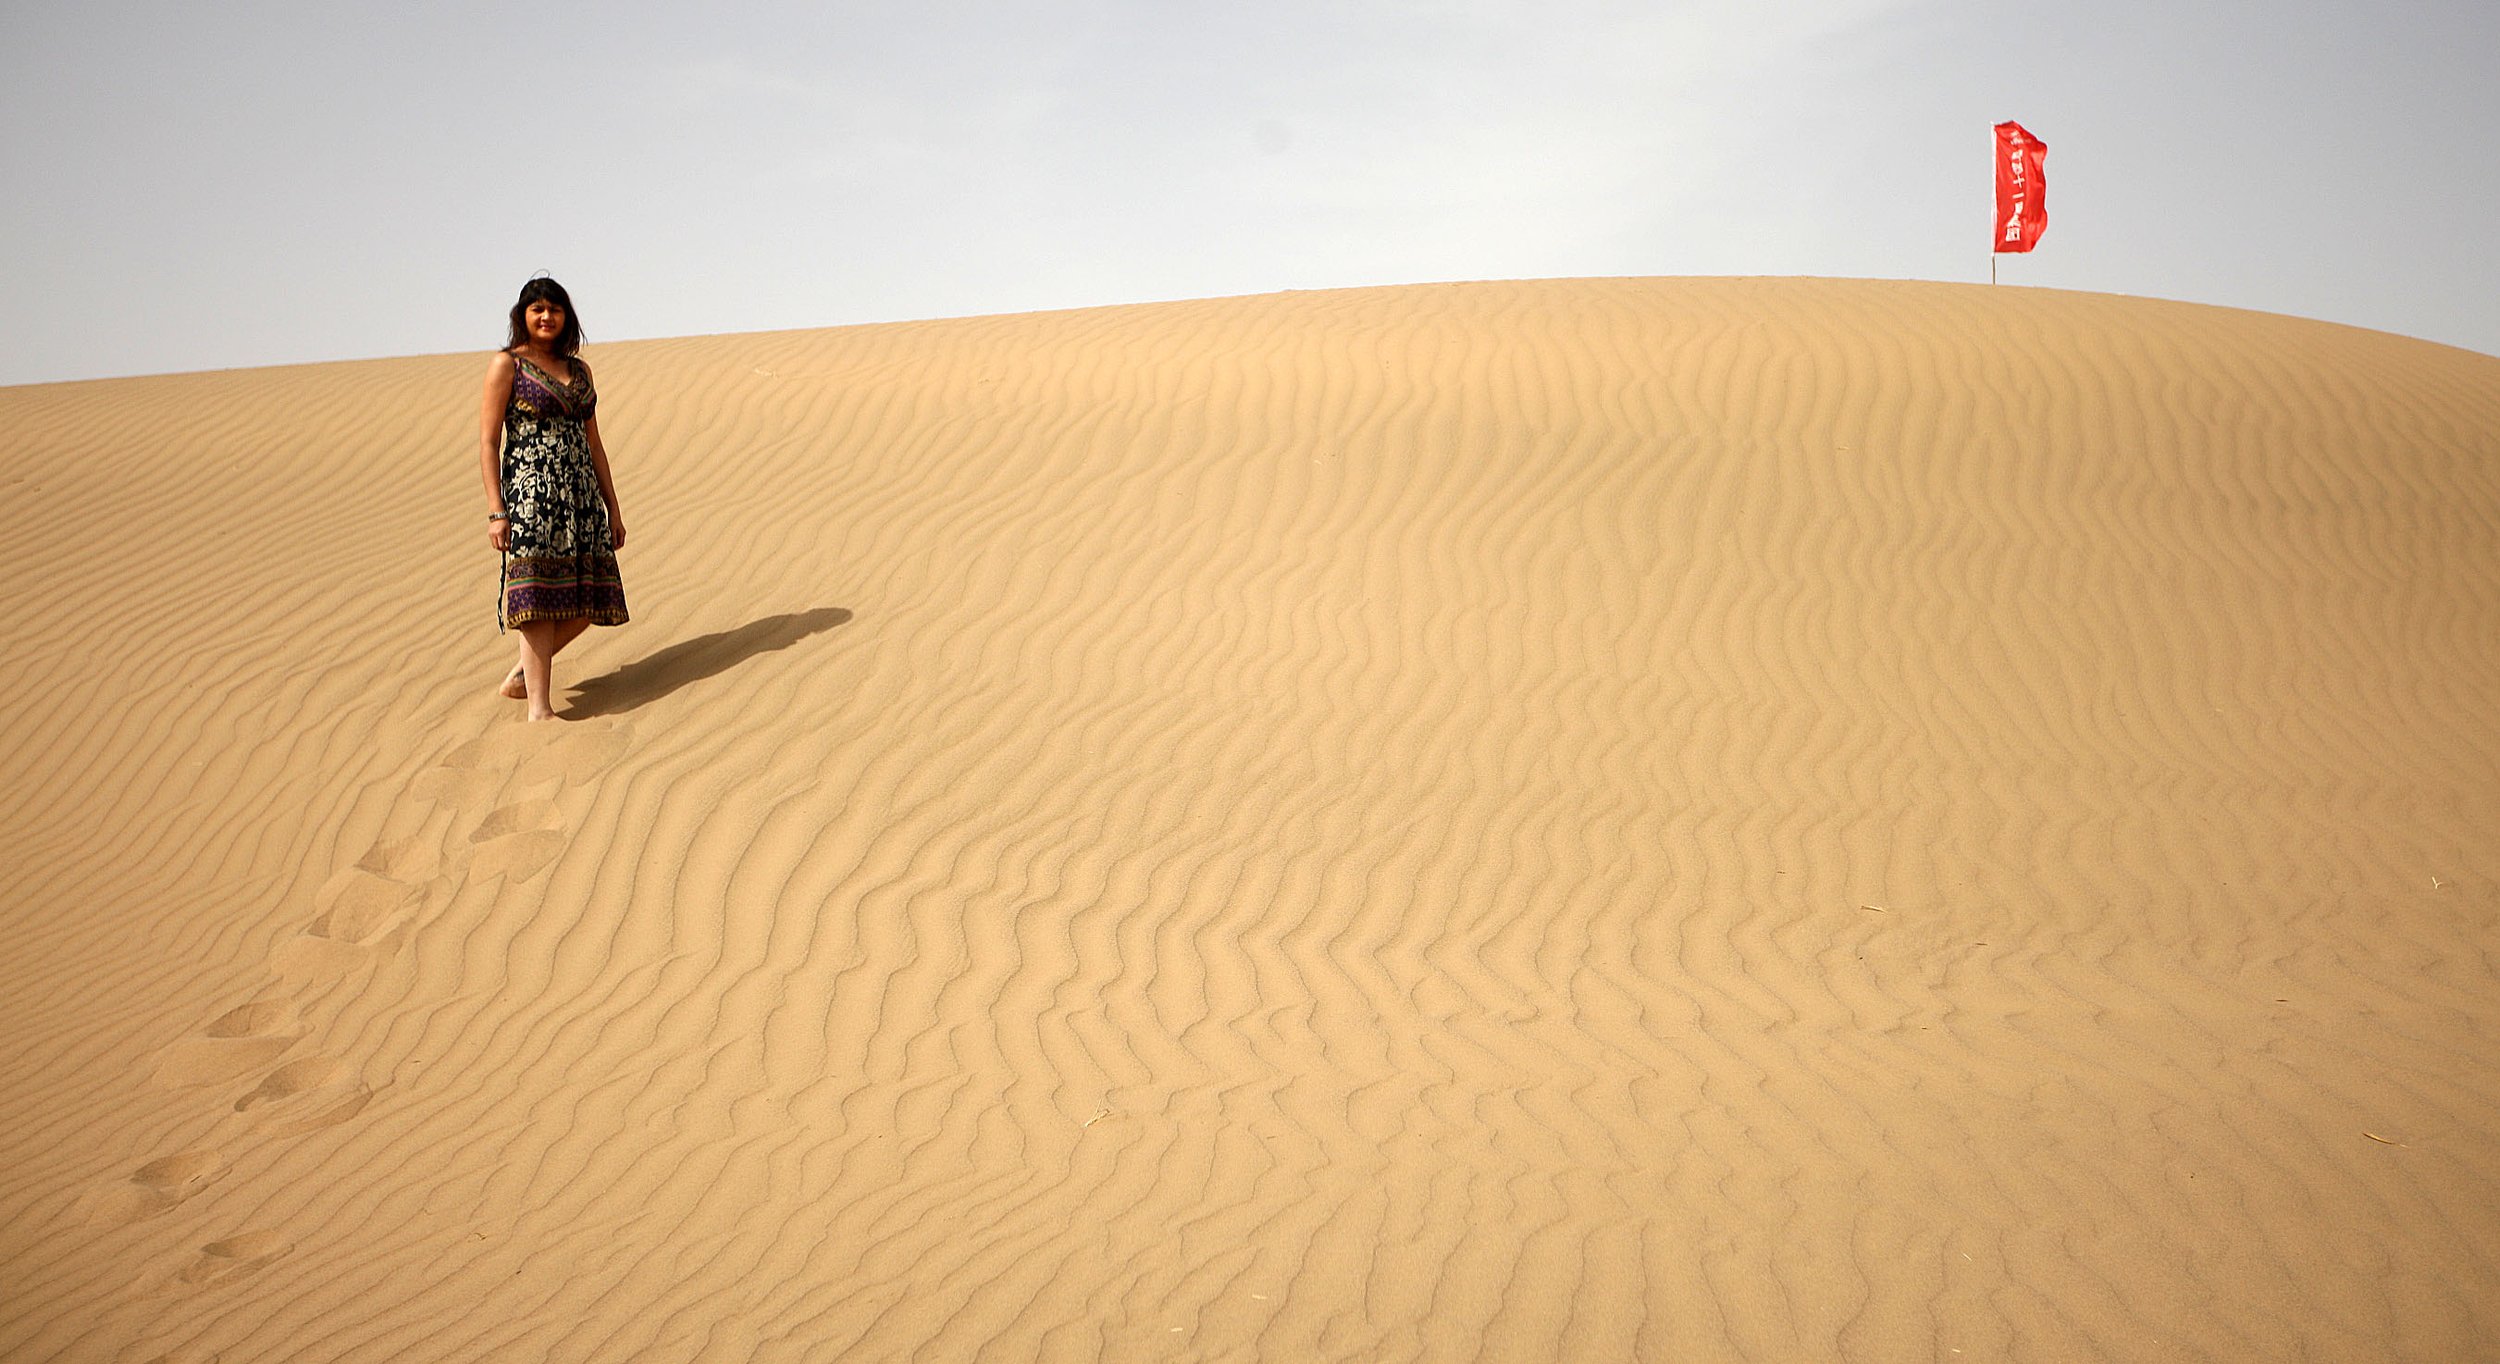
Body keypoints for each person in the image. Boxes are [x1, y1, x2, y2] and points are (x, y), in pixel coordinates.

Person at [478, 276, 628, 721]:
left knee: (589, 599)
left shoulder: (579, 371)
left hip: (580, 498)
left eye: (555, 309)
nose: (546, 317)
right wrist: (496, 511)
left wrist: (612, 507)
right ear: (523, 316)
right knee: (539, 598)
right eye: (537, 309)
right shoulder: (508, 366)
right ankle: (539, 711)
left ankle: (524, 674)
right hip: (531, 498)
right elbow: (487, 442)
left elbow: (595, 444)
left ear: (567, 317)